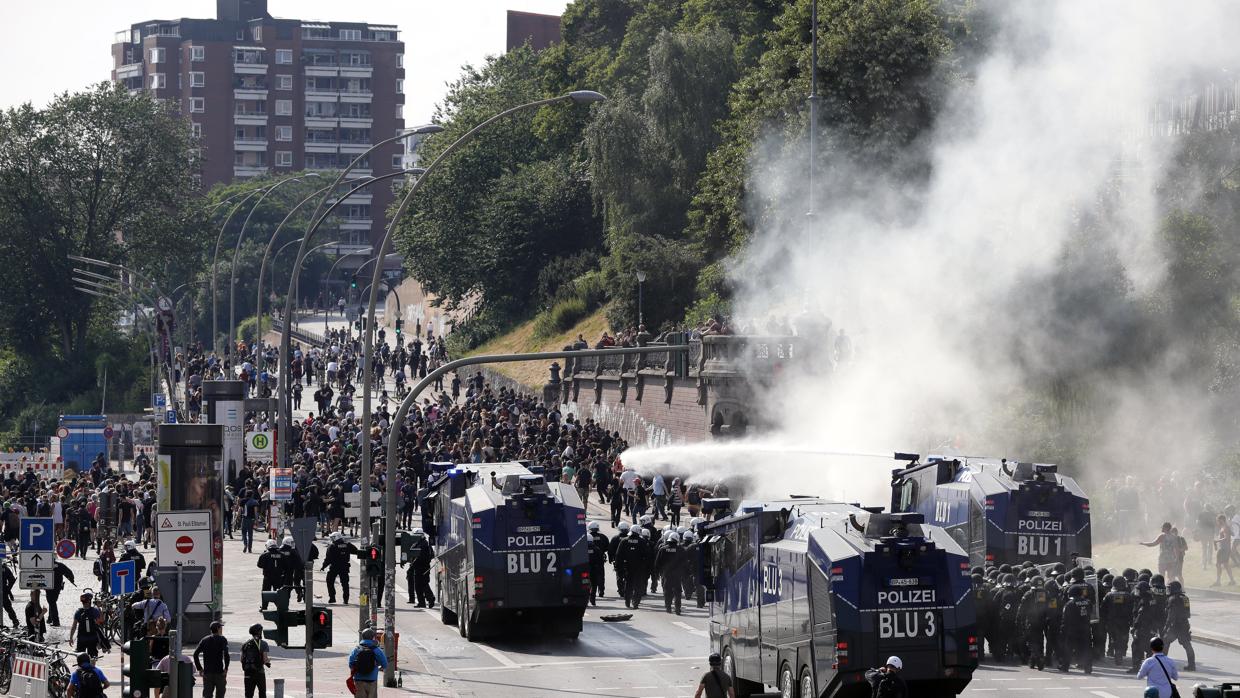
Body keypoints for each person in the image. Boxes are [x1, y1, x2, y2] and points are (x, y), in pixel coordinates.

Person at [1162, 581, 1196, 671]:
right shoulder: (1185, 598)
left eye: (1169, 588)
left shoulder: (1172, 599)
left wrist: (1166, 627)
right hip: (1184, 624)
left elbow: (1171, 615)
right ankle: (1192, 665)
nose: (1168, 590)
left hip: (1174, 625)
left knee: (1165, 643)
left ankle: (1162, 664)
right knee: (1187, 645)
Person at [348, 628, 389, 698]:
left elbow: (350, 663)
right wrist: (377, 667)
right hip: (372, 680)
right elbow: (385, 664)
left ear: (362, 637)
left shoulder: (356, 649)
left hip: (358, 679)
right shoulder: (376, 650)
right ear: (373, 638)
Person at [193, 620, 230, 698]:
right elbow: (226, 654)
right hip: (219, 672)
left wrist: (199, 668)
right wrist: (226, 668)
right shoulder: (222, 639)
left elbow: (195, 654)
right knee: (220, 694)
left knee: (207, 695)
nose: (221, 629)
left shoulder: (204, 640)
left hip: (207, 673)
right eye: (220, 628)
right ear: (218, 628)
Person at [69, 592, 104, 659]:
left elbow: (74, 626)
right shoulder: (95, 611)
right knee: (93, 657)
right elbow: (101, 621)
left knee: (80, 658)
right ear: (90, 601)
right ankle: (92, 668)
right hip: (92, 638)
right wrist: (100, 609)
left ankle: (81, 669)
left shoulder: (78, 612)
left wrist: (71, 638)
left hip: (81, 639)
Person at [240, 623, 271, 698]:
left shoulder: (245, 644)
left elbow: (241, 660)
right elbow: (265, 659)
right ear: (259, 632)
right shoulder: (263, 644)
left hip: (248, 672)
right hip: (259, 672)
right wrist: (268, 661)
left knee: (248, 694)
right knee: (262, 693)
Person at [1214, 513, 1236, 586]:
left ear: (1222, 520)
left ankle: (1218, 582)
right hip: (1225, 549)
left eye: (1218, 520)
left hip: (1224, 549)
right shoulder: (1225, 527)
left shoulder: (1225, 527)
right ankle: (1232, 581)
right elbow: (1232, 534)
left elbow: (1227, 538)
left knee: (1218, 564)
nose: (1217, 522)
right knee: (1226, 565)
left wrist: (1217, 541)